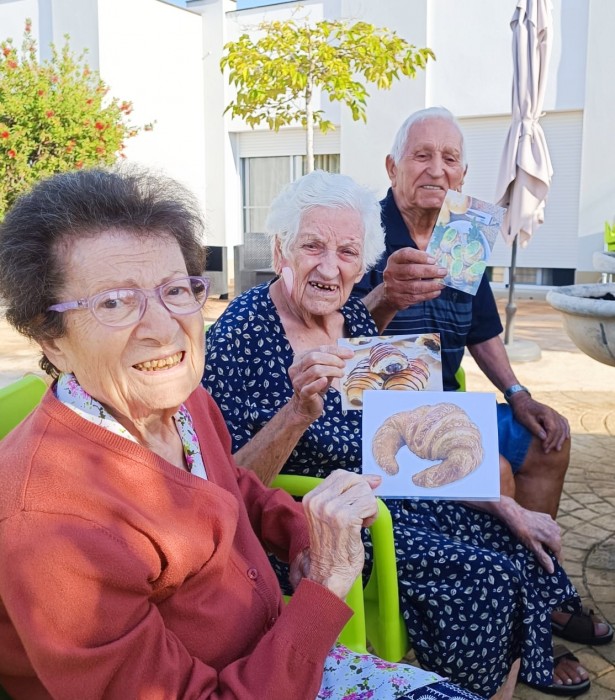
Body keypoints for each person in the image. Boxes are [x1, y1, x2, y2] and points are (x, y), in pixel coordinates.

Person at [0, 168, 484, 700]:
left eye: (175, 290)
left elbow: (233, 484)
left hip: (275, 652)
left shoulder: (182, 402)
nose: (163, 328)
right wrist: (324, 588)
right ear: (53, 341)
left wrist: (302, 537)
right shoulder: (54, 530)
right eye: (113, 302)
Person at [203, 169, 611, 698]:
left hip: (397, 497)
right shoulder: (241, 333)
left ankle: (505, 675)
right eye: (312, 246)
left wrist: (506, 506)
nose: (329, 266)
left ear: (363, 264)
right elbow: (223, 483)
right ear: (281, 249)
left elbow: (403, 442)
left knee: (519, 546)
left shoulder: (353, 318)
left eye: (348, 252)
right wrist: (296, 413)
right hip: (320, 525)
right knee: (486, 579)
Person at [353, 106, 571, 522]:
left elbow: (482, 330)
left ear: (462, 175)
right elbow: (333, 333)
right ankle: (494, 558)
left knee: (549, 442)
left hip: (447, 404)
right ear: (392, 167)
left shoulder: (463, 234)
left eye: (449, 159)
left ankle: (534, 556)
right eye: (422, 156)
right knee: (494, 471)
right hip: (378, 413)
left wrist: (518, 394)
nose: (437, 170)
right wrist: (386, 296)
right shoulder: (360, 232)